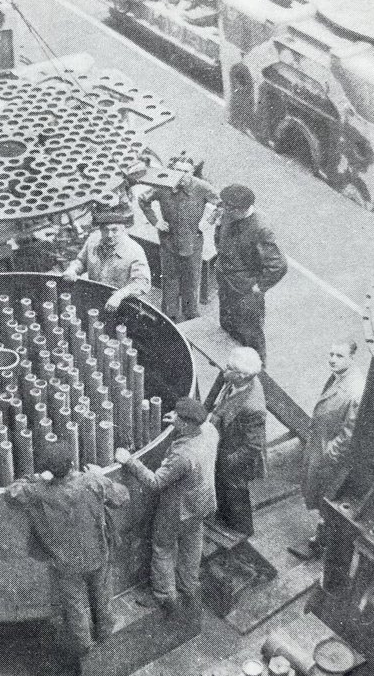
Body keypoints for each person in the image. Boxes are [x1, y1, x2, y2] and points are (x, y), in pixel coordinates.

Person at [5, 441, 129, 656]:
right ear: (73, 464)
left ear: (48, 472)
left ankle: (84, 647)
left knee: (75, 606)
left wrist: (34, 478)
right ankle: (105, 631)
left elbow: (11, 494)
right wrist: (101, 475)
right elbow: (122, 497)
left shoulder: (39, 491)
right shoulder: (92, 481)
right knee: (101, 595)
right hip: (97, 554)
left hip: (65, 562)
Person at [116, 396, 218, 613]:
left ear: (186, 423)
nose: (175, 420)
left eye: (179, 419)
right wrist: (178, 422)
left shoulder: (183, 454)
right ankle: (188, 586)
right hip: (202, 502)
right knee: (192, 544)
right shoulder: (209, 430)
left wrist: (129, 461)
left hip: (178, 511)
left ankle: (165, 596)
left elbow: (156, 482)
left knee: (162, 547)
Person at [303, 341, 367, 556]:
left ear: (351, 358)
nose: (332, 359)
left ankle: (323, 542)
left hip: (331, 458)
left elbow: (350, 431)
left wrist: (331, 453)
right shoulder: (338, 376)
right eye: (331, 354)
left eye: (339, 355)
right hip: (321, 447)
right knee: (320, 495)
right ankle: (322, 538)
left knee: (327, 499)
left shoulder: (355, 389)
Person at [138, 156, 219, 322]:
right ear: (171, 171)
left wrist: (208, 221)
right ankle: (169, 316)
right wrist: (156, 221)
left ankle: (191, 315)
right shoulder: (162, 186)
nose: (181, 175)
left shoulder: (201, 187)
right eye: (177, 171)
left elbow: (221, 204)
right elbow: (143, 199)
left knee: (192, 279)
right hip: (169, 242)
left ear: (192, 172)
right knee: (170, 280)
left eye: (186, 172)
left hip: (193, 242)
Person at [213, 184, 287, 365]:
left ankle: (257, 371)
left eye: (230, 208)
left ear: (243, 209)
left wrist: (259, 286)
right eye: (225, 206)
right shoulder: (228, 214)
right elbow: (220, 236)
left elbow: (278, 265)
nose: (225, 211)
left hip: (246, 292)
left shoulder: (261, 228)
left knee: (250, 334)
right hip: (226, 282)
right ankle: (233, 364)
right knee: (228, 324)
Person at [209, 346, 267, 539]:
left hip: (235, 457)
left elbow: (253, 446)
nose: (224, 371)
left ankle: (241, 531)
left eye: (229, 369)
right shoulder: (237, 380)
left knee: (234, 492)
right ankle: (224, 518)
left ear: (242, 376)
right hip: (226, 444)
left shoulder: (253, 407)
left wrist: (225, 462)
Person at [61, 210, 152, 313]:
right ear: (100, 230)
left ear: (123, 230)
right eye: (105, 230)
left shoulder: (135, 251)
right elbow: (81, 261)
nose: (109, 235)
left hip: (119, 304)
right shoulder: (93, 240)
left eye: (114, 230)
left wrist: (120, 295)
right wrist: (72, 270)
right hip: (94, 296)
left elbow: (143, 282)